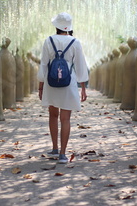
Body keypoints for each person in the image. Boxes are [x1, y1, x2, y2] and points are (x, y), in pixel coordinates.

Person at [37, 12, 88, 164]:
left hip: (51, 82)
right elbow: (80, 66)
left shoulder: (48, 40)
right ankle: (63, 155)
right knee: (65, 119)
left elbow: (44, 64)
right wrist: (83, 87)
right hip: (68, 82)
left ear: (56, 26)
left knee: (53, 115)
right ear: (69, 27)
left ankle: (54, 148)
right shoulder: (75, 42)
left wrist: (41, 86)